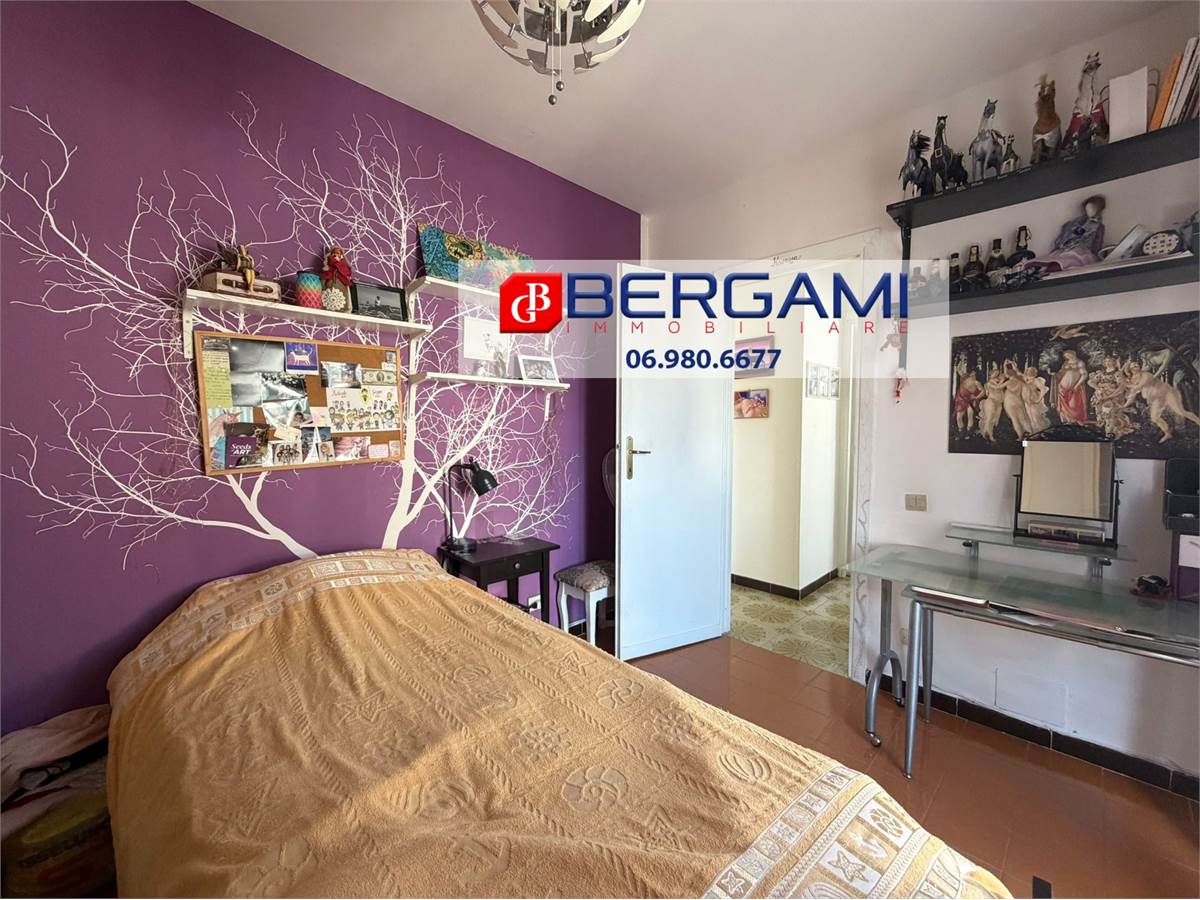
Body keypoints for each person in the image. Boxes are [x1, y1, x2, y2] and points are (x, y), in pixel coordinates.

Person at [1054, 349, 1089, 425]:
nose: (1067, 357)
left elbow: (1084, 375)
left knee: (1074, 404)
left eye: (1068, 354)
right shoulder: (1065, 363)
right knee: (1063, 405)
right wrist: (1054, 374)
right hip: (1062, 387)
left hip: (1074, 388)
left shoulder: (1079, 363)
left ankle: (1075, 420)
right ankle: (1066, 420)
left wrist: (1077, 385)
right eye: (1066, 356)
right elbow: (1060, 374)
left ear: (1073, 353)